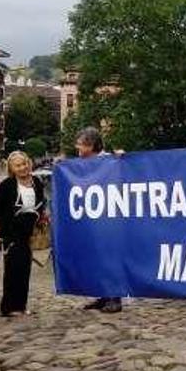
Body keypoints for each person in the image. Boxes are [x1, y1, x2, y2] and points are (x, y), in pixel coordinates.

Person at [75, 126, 123, 313]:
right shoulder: (81, 163)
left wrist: (121, 158)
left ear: (92, 144)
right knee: (97, 259)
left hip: (109, 219)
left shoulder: (109, 160)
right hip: (92, 220)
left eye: (81, 145)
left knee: (110, 257)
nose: (78, 149)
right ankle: (103, 295)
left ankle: (115, 297)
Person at [0, 151, 45, 317]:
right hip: (11, 231)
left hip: (28, 230)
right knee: (13, 269)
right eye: (18, 165)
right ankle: (8, 307)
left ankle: (21, 305)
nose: (23, 168)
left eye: (24, 164)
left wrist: (40, 218)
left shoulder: (36, 182)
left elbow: (41, 203)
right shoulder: (7, 185)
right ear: (12, 169)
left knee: (24, 269)